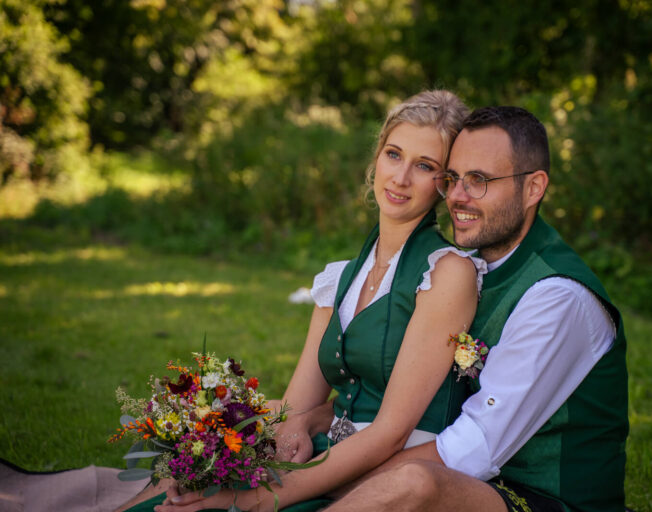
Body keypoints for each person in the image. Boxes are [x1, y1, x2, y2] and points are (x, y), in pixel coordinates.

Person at [238, 106, 628, 512]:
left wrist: (322, 478)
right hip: (473, 482)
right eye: (453, 178)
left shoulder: (557, 297)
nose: (458, 196)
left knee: (413, 482)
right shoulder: (467, 265)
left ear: (533, 188)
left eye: (479, 180)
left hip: (541, 498)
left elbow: (473, 450)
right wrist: (312, 422)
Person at [118, 90, 485, 512]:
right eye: (393, 154)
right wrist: (221, 440)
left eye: (424, 166)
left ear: (446, 185)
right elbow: (298, 407)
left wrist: (254, 496)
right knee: (177, 484)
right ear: (376, 158)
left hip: (383, 475)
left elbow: (391, 433)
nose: (400, 178)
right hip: (323, 453)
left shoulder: (445, 273)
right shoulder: (342, 277)